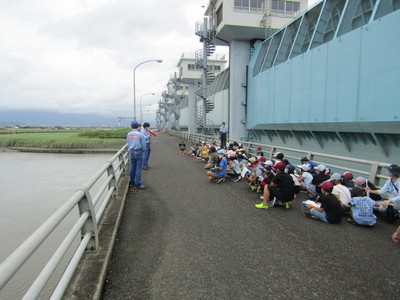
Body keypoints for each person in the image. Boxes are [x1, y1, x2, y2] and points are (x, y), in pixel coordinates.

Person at [126, 121, 146, 189]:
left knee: (133, 166)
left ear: (131, 126)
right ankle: (138, 184)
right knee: (139, 168)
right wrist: (143, 150)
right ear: (138, 126)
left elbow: (128, 143)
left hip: (132, 151)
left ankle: (131, 182)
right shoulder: (140, 134)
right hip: (139, 151)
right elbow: (143, 144)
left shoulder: (129, 134)